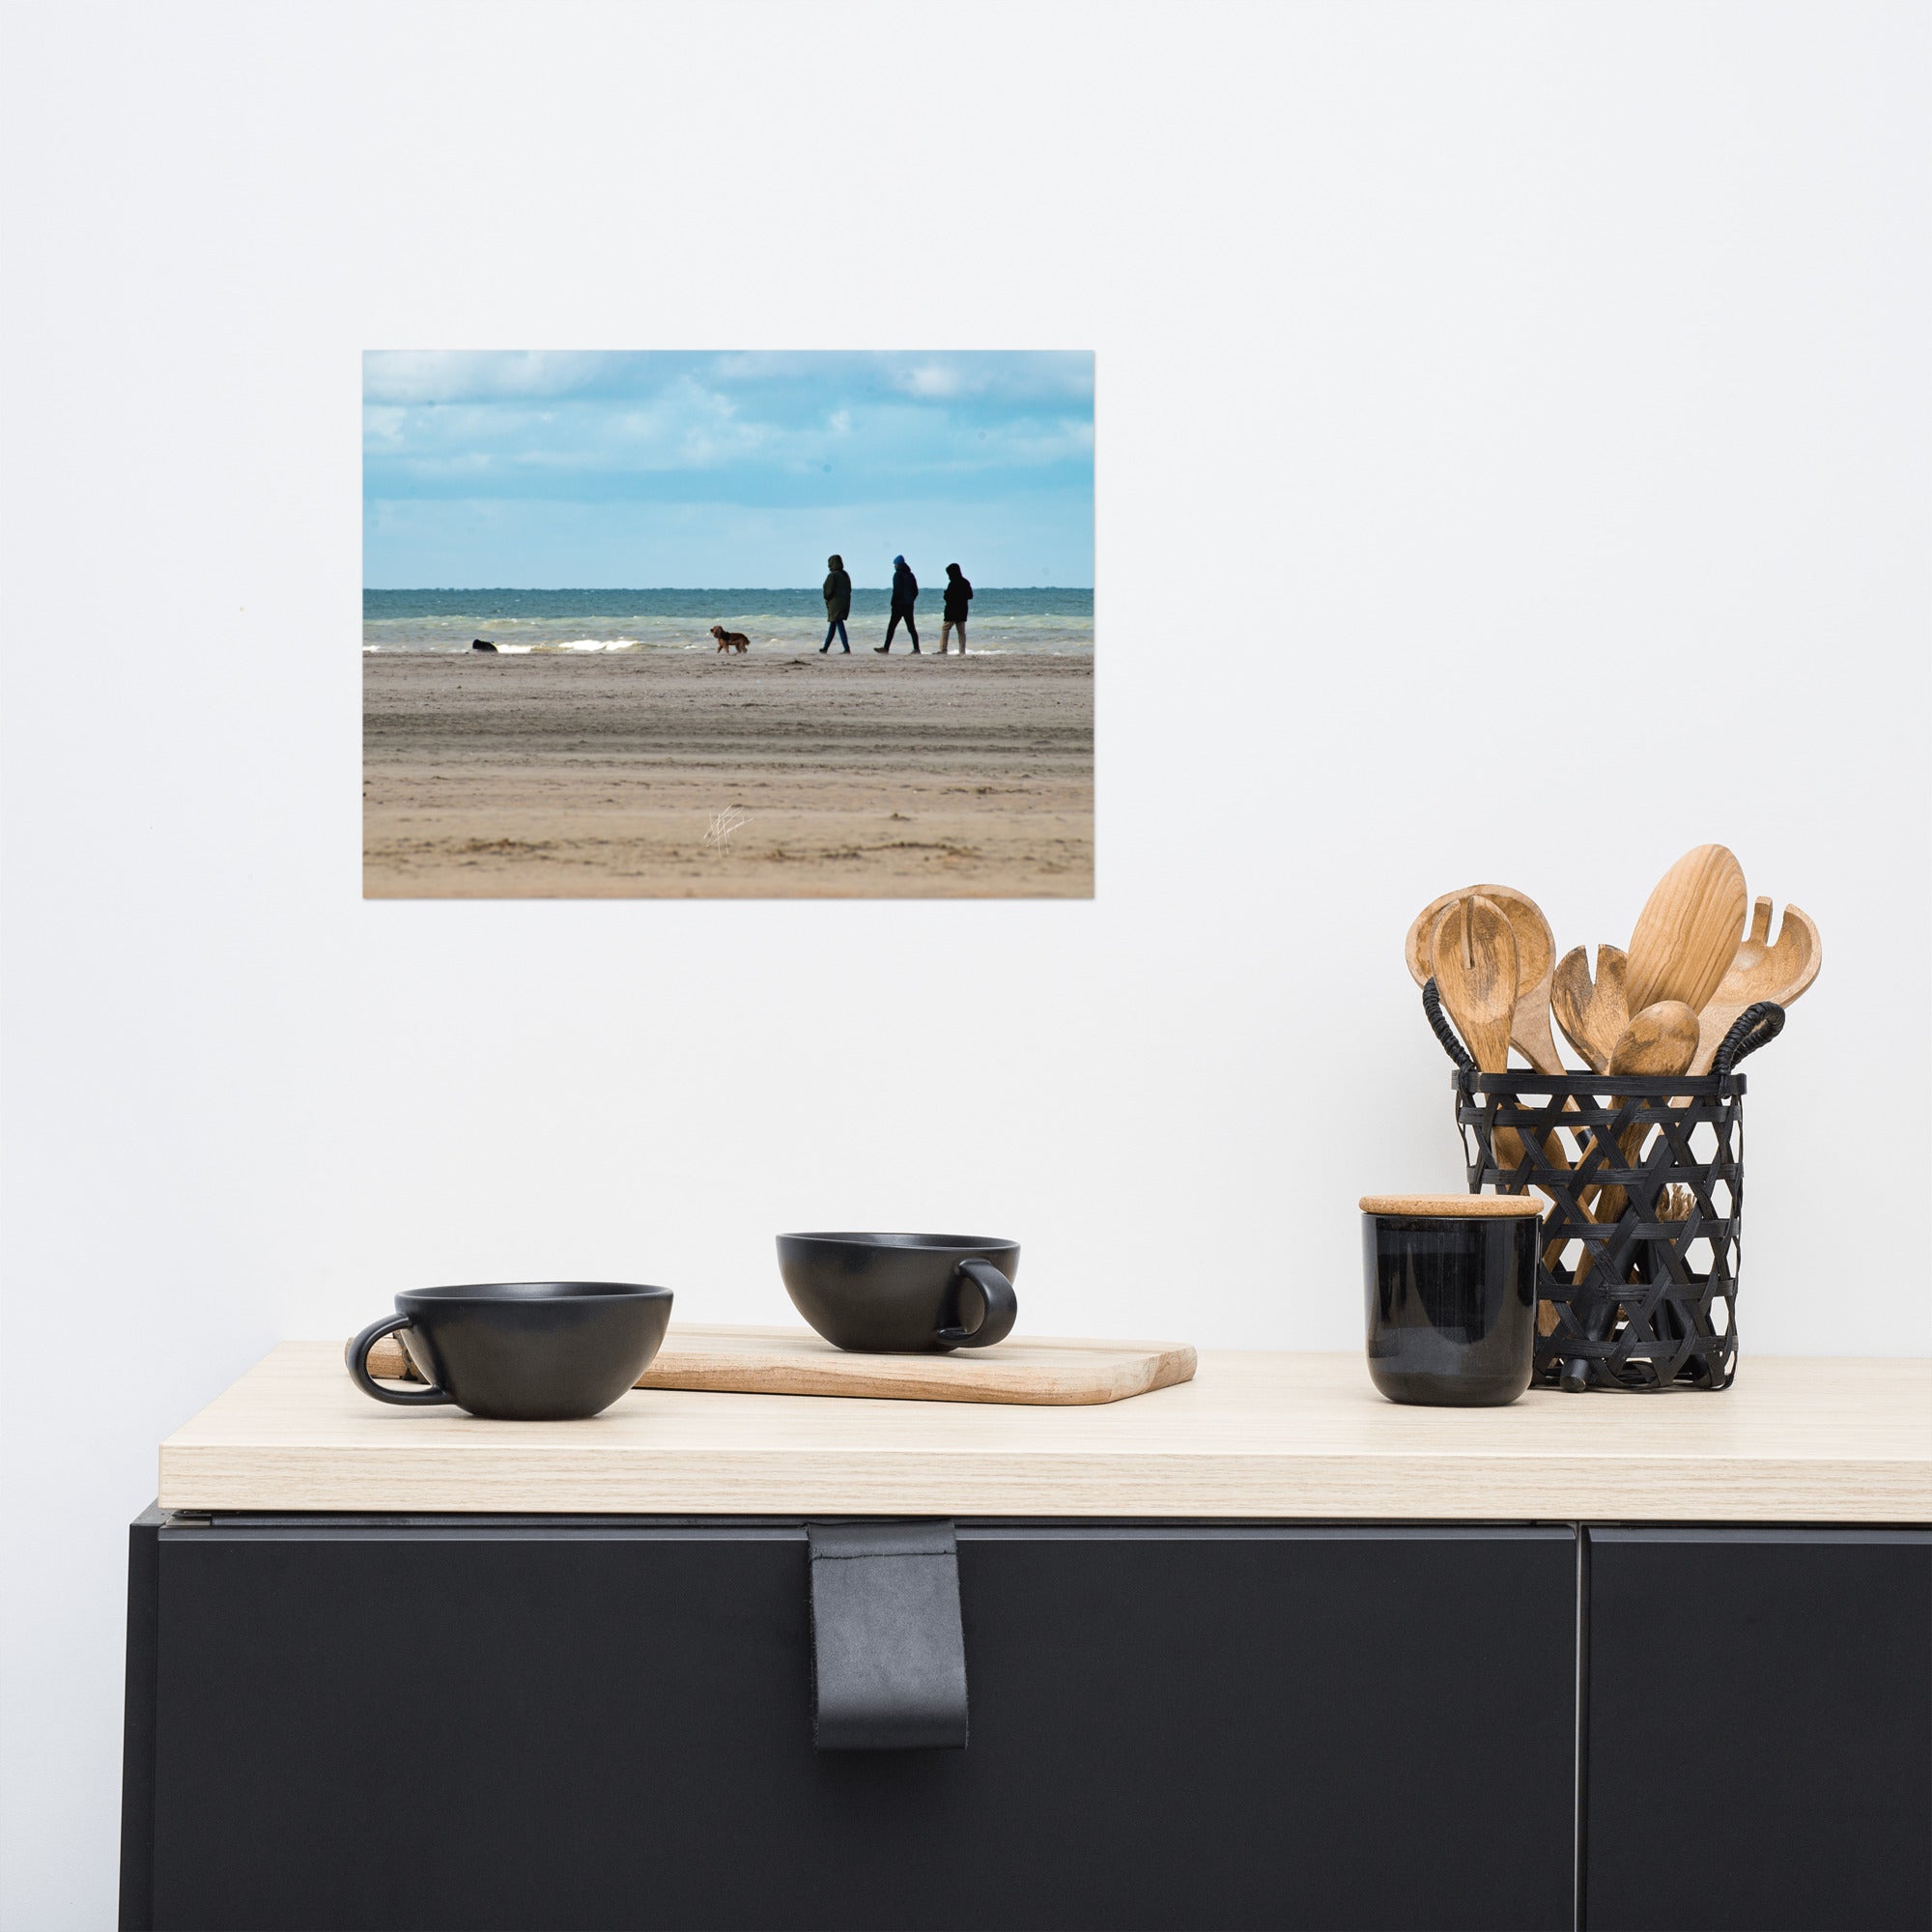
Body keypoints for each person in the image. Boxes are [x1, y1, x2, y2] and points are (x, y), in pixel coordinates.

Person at [874, 554, 920, 653]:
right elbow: (916, 591)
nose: (894, 566)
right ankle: (917, 649)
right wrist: (911, 600)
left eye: (895, 564)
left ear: (897, 564)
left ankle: (886, 648)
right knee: (911, 628)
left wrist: (893, 603)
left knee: (891, 627)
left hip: (899, 606)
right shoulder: (911, 575)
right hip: (909, 606)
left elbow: (897, 591)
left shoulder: (897, 575)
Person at [819, 554, 852, 653]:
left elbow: (828, 592)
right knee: (833, 626)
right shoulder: (845, 574)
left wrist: (827, 598)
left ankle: (846, 648)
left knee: (838, 625)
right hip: (844, 603)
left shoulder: (832, 576)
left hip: (834, 605)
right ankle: (825, 648)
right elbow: (849, 589)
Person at [939, 563, 973, 653]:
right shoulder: (965, 582)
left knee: (945, 629)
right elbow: (970, 595)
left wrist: (946, 593)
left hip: (952, 611)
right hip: (962, 611)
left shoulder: (952, 583)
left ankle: (943, 650)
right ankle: (962, 651)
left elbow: (947, 597)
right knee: (961, 632)